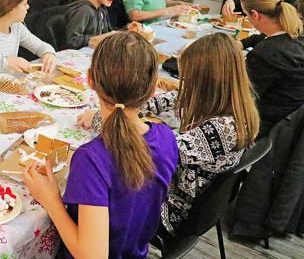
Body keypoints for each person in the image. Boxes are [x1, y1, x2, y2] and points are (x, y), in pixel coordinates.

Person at [78, 33, 260, 235]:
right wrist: (127, 100)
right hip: (175, 190)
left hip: (170, 209)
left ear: (206, 82)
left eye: (188, 79)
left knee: (86, 189)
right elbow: (169, 99)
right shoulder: (231, 104)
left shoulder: (223, 130)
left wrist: (101, 117)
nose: (183, 84)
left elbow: (143, 147)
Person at [23, 32, 178, 258]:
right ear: (153, 88)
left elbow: (91, 256)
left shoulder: (92, 159)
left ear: (90, 79)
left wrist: (51, 200)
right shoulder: (166, 137)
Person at [238, 0, 304, 137]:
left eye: (246, 15)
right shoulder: (296, 34)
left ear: (254, 15)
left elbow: (240, 98)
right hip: (288, 126)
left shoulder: (266, 53)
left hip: (263, 129)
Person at [63, 0, 142, 49]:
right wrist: (94, 39)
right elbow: (72, 41)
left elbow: (108, 33)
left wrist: (126, 29)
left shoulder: (102, 9)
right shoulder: (84, 11)